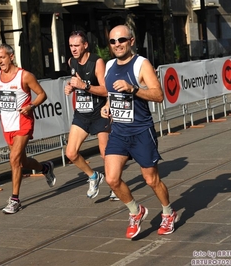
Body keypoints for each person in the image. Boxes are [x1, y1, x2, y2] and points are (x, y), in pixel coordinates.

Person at [101, 25, 178, 239]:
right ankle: (136, 211)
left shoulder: (141, 64)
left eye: (121, 40)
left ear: (131, 41)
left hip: (141, 131)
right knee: (112, 179)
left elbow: (159, 95)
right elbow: (111, 94)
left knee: (151, 179)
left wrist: (133, 88)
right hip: (118, 131)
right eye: (113, 41)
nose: (117, 45)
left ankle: (168, 212)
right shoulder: (108, 66)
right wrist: (107, 105)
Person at [0, 43, 56, 214]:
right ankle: (45, 168)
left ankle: (15, 200)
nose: (0, 61)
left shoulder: (24, 76)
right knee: (21, 161)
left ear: (11, 56)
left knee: (14, 158)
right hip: (7, 123)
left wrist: (31, 106)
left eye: (2, 57)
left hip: (23, 121)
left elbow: (42, 94)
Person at [64, 30, 118, 200]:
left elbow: (105, 90)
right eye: (71, 46)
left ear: (85, 45)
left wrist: (84, 86)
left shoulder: (97, 62)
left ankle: (115, 186)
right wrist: (71, 87)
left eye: (77, 45)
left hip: (99, 113)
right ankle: (93, 176)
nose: (73, 49)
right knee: (71, 153)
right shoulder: (71, 61)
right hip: (82, 114)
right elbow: (77, 81)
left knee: (105, 154)